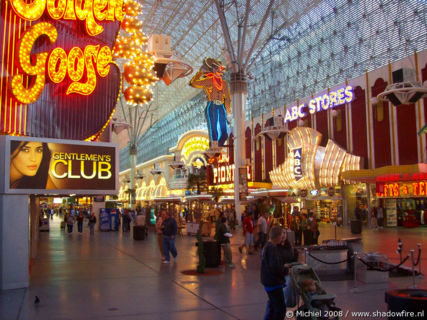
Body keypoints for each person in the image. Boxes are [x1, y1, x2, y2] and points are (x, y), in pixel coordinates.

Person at [189, 58, 231, 147]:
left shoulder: (224, 83)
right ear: (213, 70)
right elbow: (194, 83)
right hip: (212, 106)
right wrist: (200, 73)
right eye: (216, 68)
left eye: (219, 68)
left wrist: (228, 111)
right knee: (213, 129)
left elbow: (227, 97)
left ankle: (217, 147)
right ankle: (214, 146)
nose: (218, 70)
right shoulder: (209, 80)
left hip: (221, 106)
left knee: (224, 133)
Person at [261, 226, 289, 320]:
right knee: (280, 309)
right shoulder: (272, 248)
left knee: (273, 307)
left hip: (269, 281)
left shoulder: (268, 246)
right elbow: (275, 267)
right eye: (281, 235)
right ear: (277, 236)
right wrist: (285, 270)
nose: (282, 237)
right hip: (273, 283)